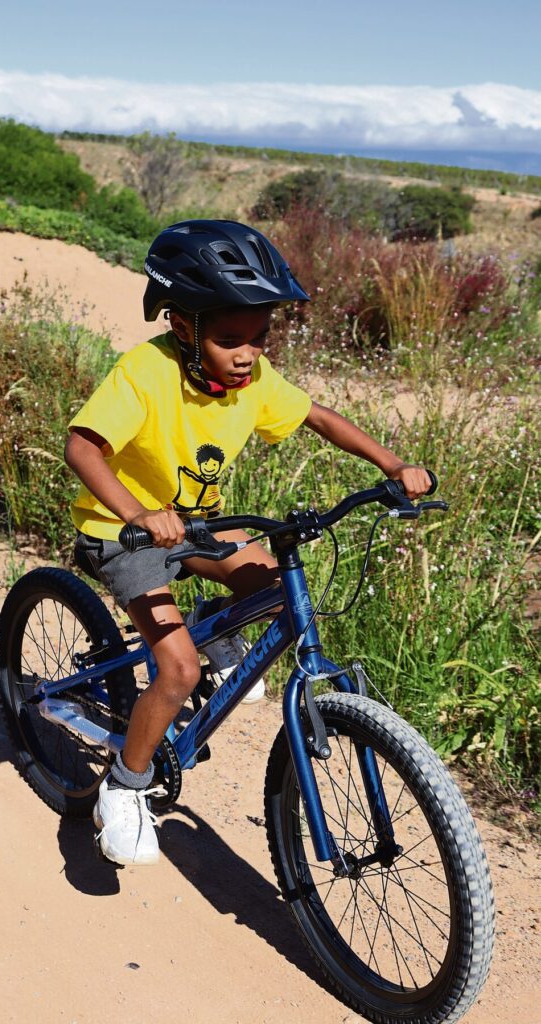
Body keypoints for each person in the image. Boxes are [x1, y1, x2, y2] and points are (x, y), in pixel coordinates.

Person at [64, 220, 431, 867]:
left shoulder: (252, 381)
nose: (247, 353)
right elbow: (83, 446)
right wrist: (138, 512)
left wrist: (391, 466)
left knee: (269, 583)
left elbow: (316, 417)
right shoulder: (144, 372)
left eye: (258, 338)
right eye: (230, 339)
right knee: (176, 668)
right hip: (120, 533)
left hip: (194, 525)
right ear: (184, 327)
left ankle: (215, 629)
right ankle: (122, 787)